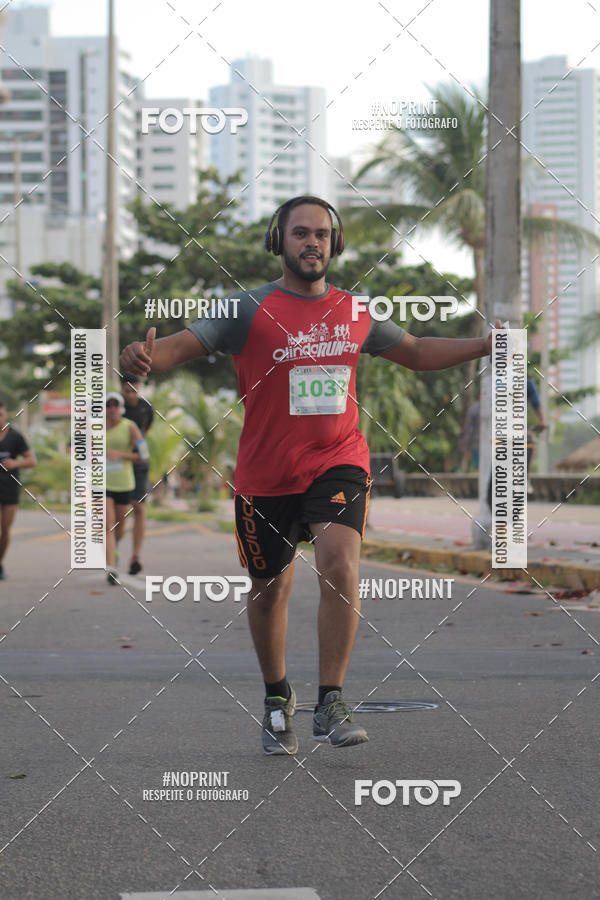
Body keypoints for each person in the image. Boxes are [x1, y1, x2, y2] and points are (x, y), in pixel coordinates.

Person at [120, 195, 501, 754]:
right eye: (300, 233)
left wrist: (487, 346)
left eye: (322, 234)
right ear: (279, 241)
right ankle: (277, 698)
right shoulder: (245, 309)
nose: (312, 242)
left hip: (338, 460)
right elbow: (173, 350)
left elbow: (418, 351)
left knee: (340, 564)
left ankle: (331, 699)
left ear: (335, 243)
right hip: (266, 475)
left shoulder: (355, 311)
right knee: (269, 590)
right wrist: (138, 357)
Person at [105, 392, 142, 585]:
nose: (111, 409)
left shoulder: (130, 427)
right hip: (101, 483)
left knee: (120, 528)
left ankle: (115, 548)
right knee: (108, 525)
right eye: (108, 405)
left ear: (121, 408)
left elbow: (143, 456)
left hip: (124, 483)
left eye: (115, 405)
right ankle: (111, 568)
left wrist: (120, 454)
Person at [121, 375, 154, 574]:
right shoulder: (115, 406)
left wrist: (138, 452)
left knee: (139, 508)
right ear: (121, 389)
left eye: (134, 391)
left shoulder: (146, 408)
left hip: (139, 462)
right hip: (118, 463)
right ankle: (113, 548)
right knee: (119, 510)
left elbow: (145, 430)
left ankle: (135, 556)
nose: (131, 395)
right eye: (127, 391)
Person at [0, 401, 36, 580]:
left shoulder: (15, 436)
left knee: (5, 529)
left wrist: (15, 463)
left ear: (5, 414)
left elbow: (32, 461)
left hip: (10, 488)